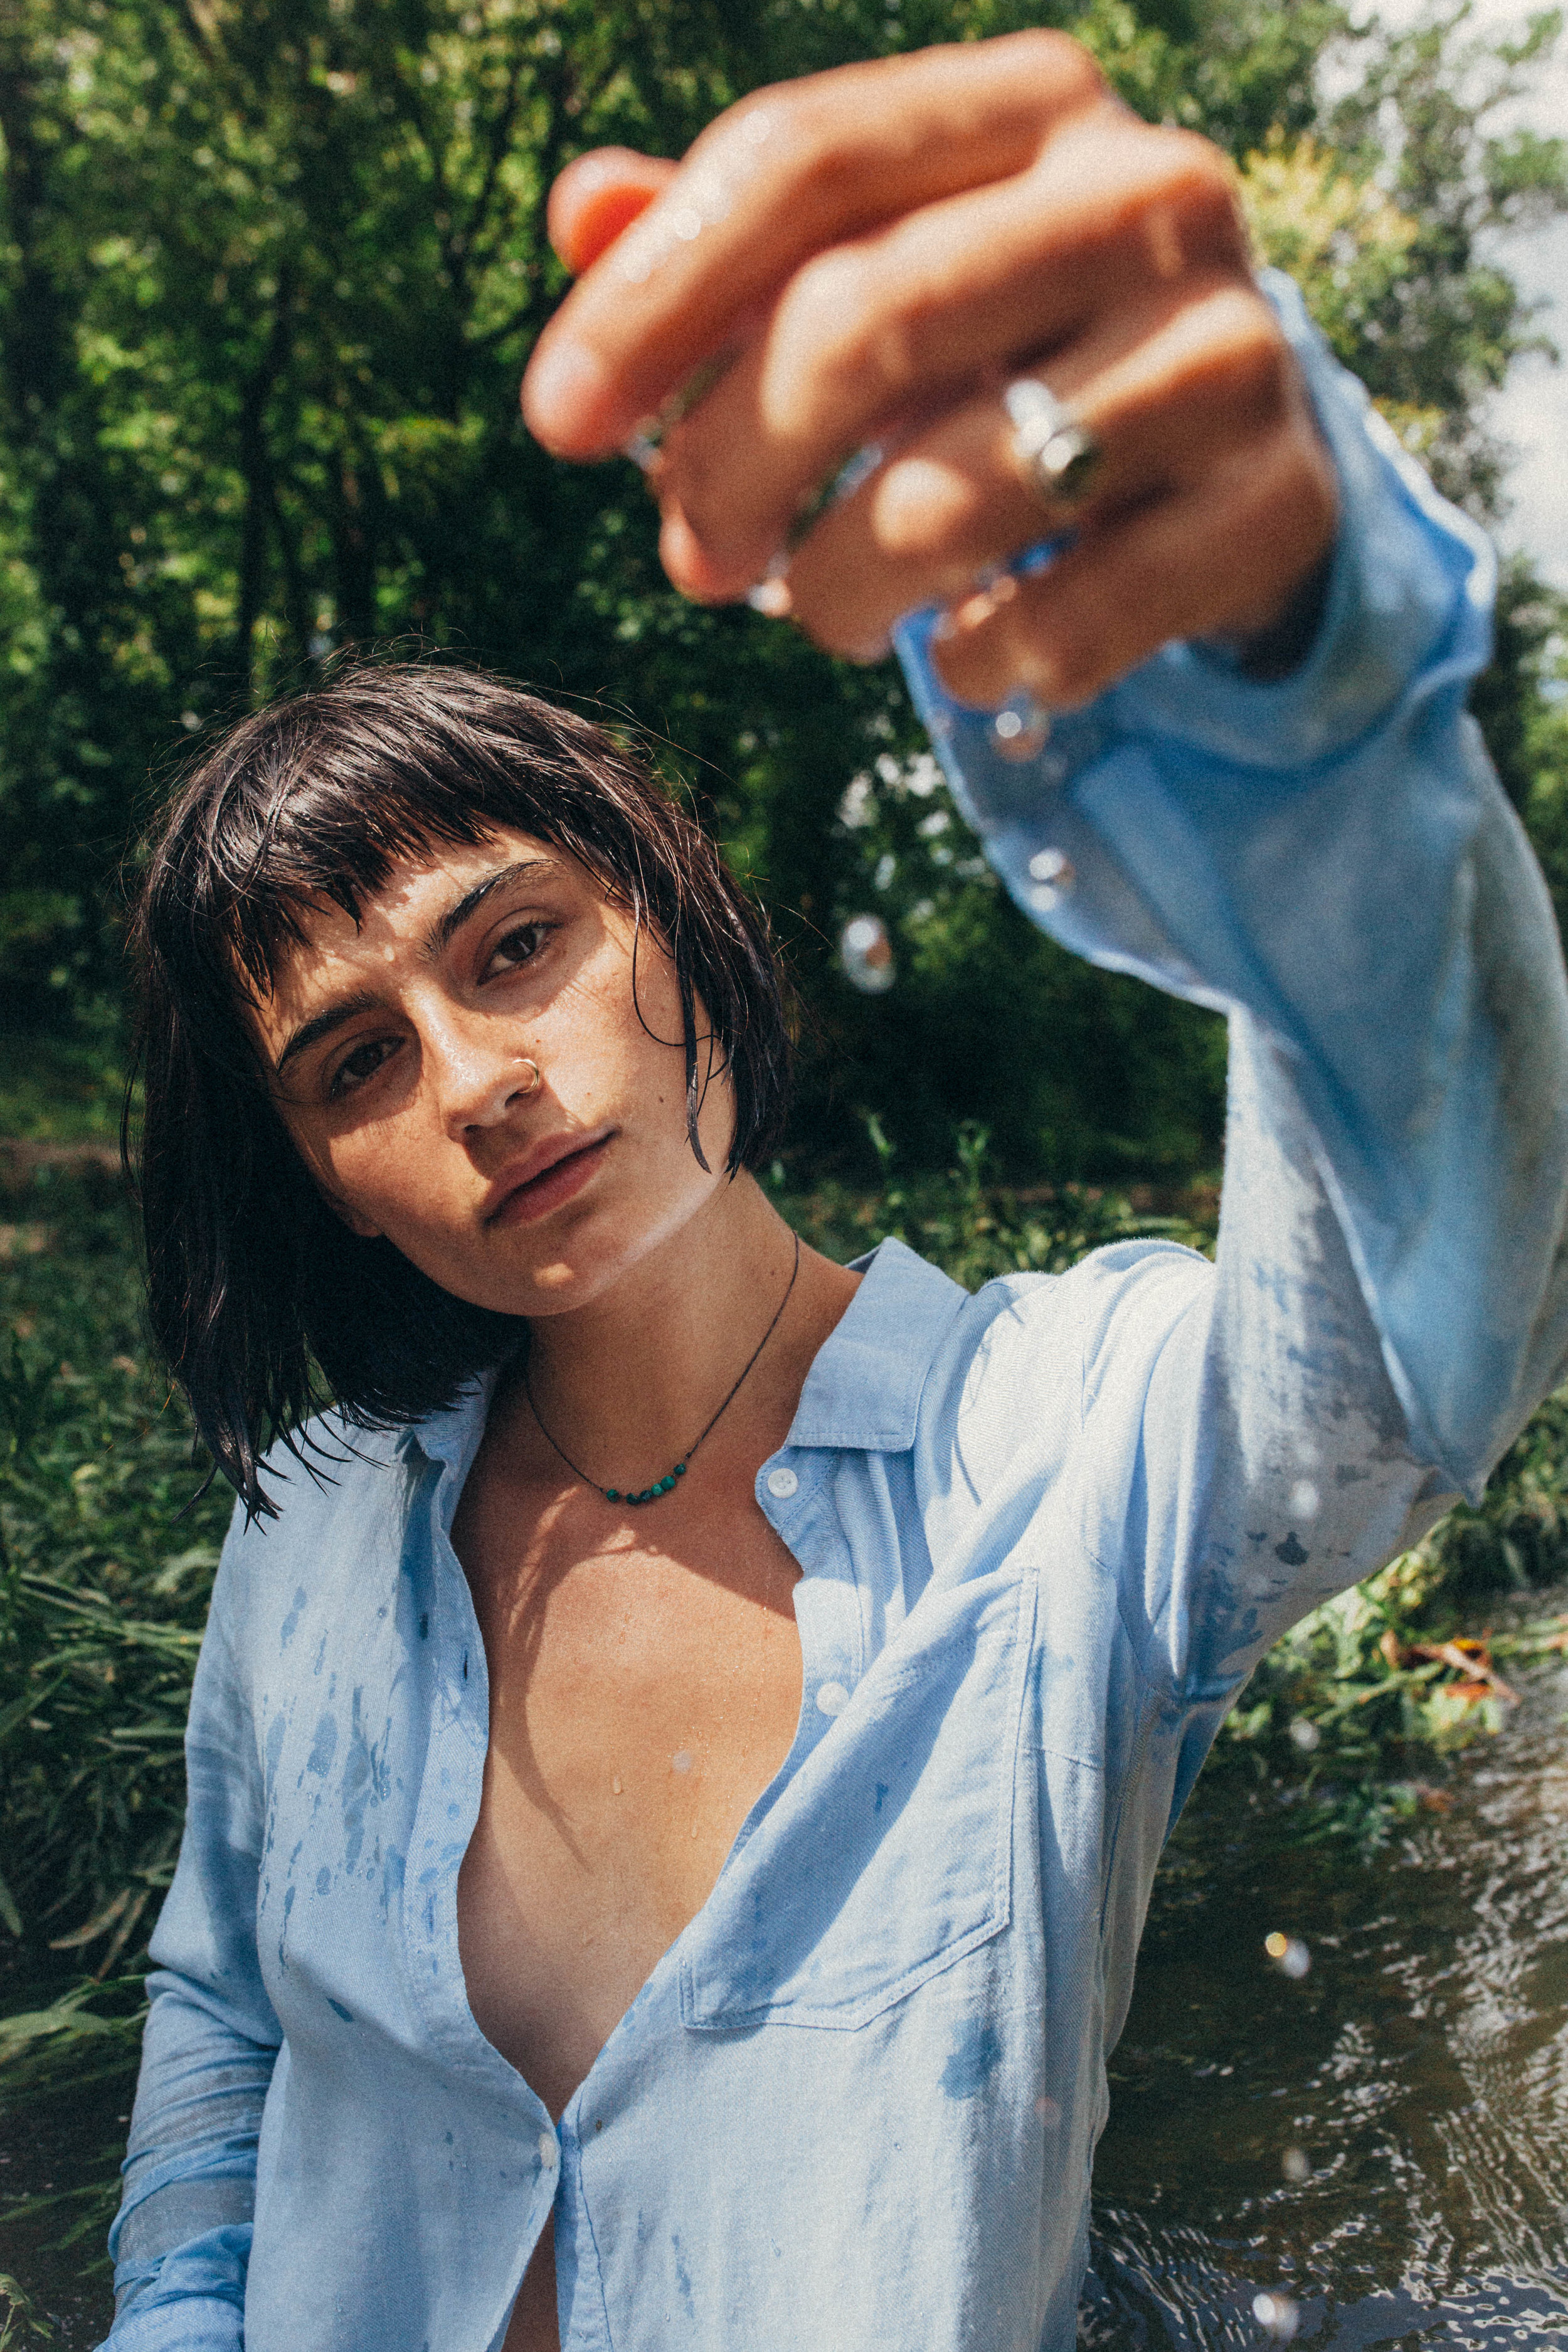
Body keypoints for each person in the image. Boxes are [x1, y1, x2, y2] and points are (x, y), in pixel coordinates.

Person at [102, 31, 1568, 2352]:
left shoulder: (1067, 1449)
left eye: (514, 944)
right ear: (328, 1187)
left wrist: (1295, 694)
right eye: (355, 1060)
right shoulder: (314, 1532)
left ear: (676, 921)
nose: (480, 1081)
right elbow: (224, 2027)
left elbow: (1424, 1335)